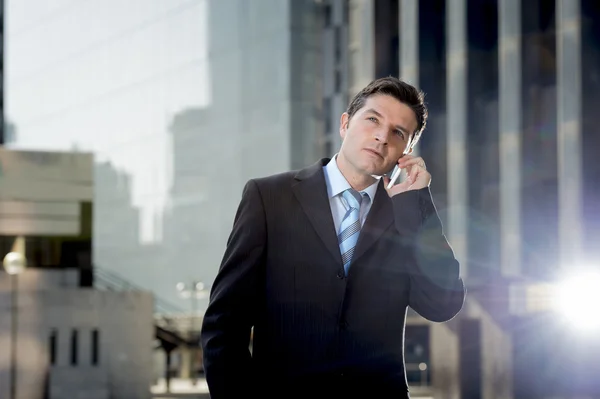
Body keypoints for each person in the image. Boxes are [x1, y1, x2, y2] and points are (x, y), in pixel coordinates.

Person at [200, 77, 465, 398]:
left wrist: (419, 205)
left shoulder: (407, 216)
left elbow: (441, 305)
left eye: (398, 133)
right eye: (373, 120)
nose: (382, 136)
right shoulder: (269, 197)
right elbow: (225, 323)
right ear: (344, 124)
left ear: (406, 151)